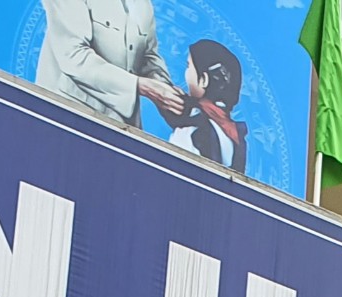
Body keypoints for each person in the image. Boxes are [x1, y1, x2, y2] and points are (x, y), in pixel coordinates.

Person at [34, 0, 184, 133]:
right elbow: (74, 56)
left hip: (122, 128)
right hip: (66, 120)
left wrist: (167, 91)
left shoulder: (143, 4)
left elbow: (148, 56)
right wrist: (141, 86)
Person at [161, 38, 248, 173]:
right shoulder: (234, 134)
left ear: (204, 80)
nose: (186, 74)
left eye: (188, 66)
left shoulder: (191, 130)